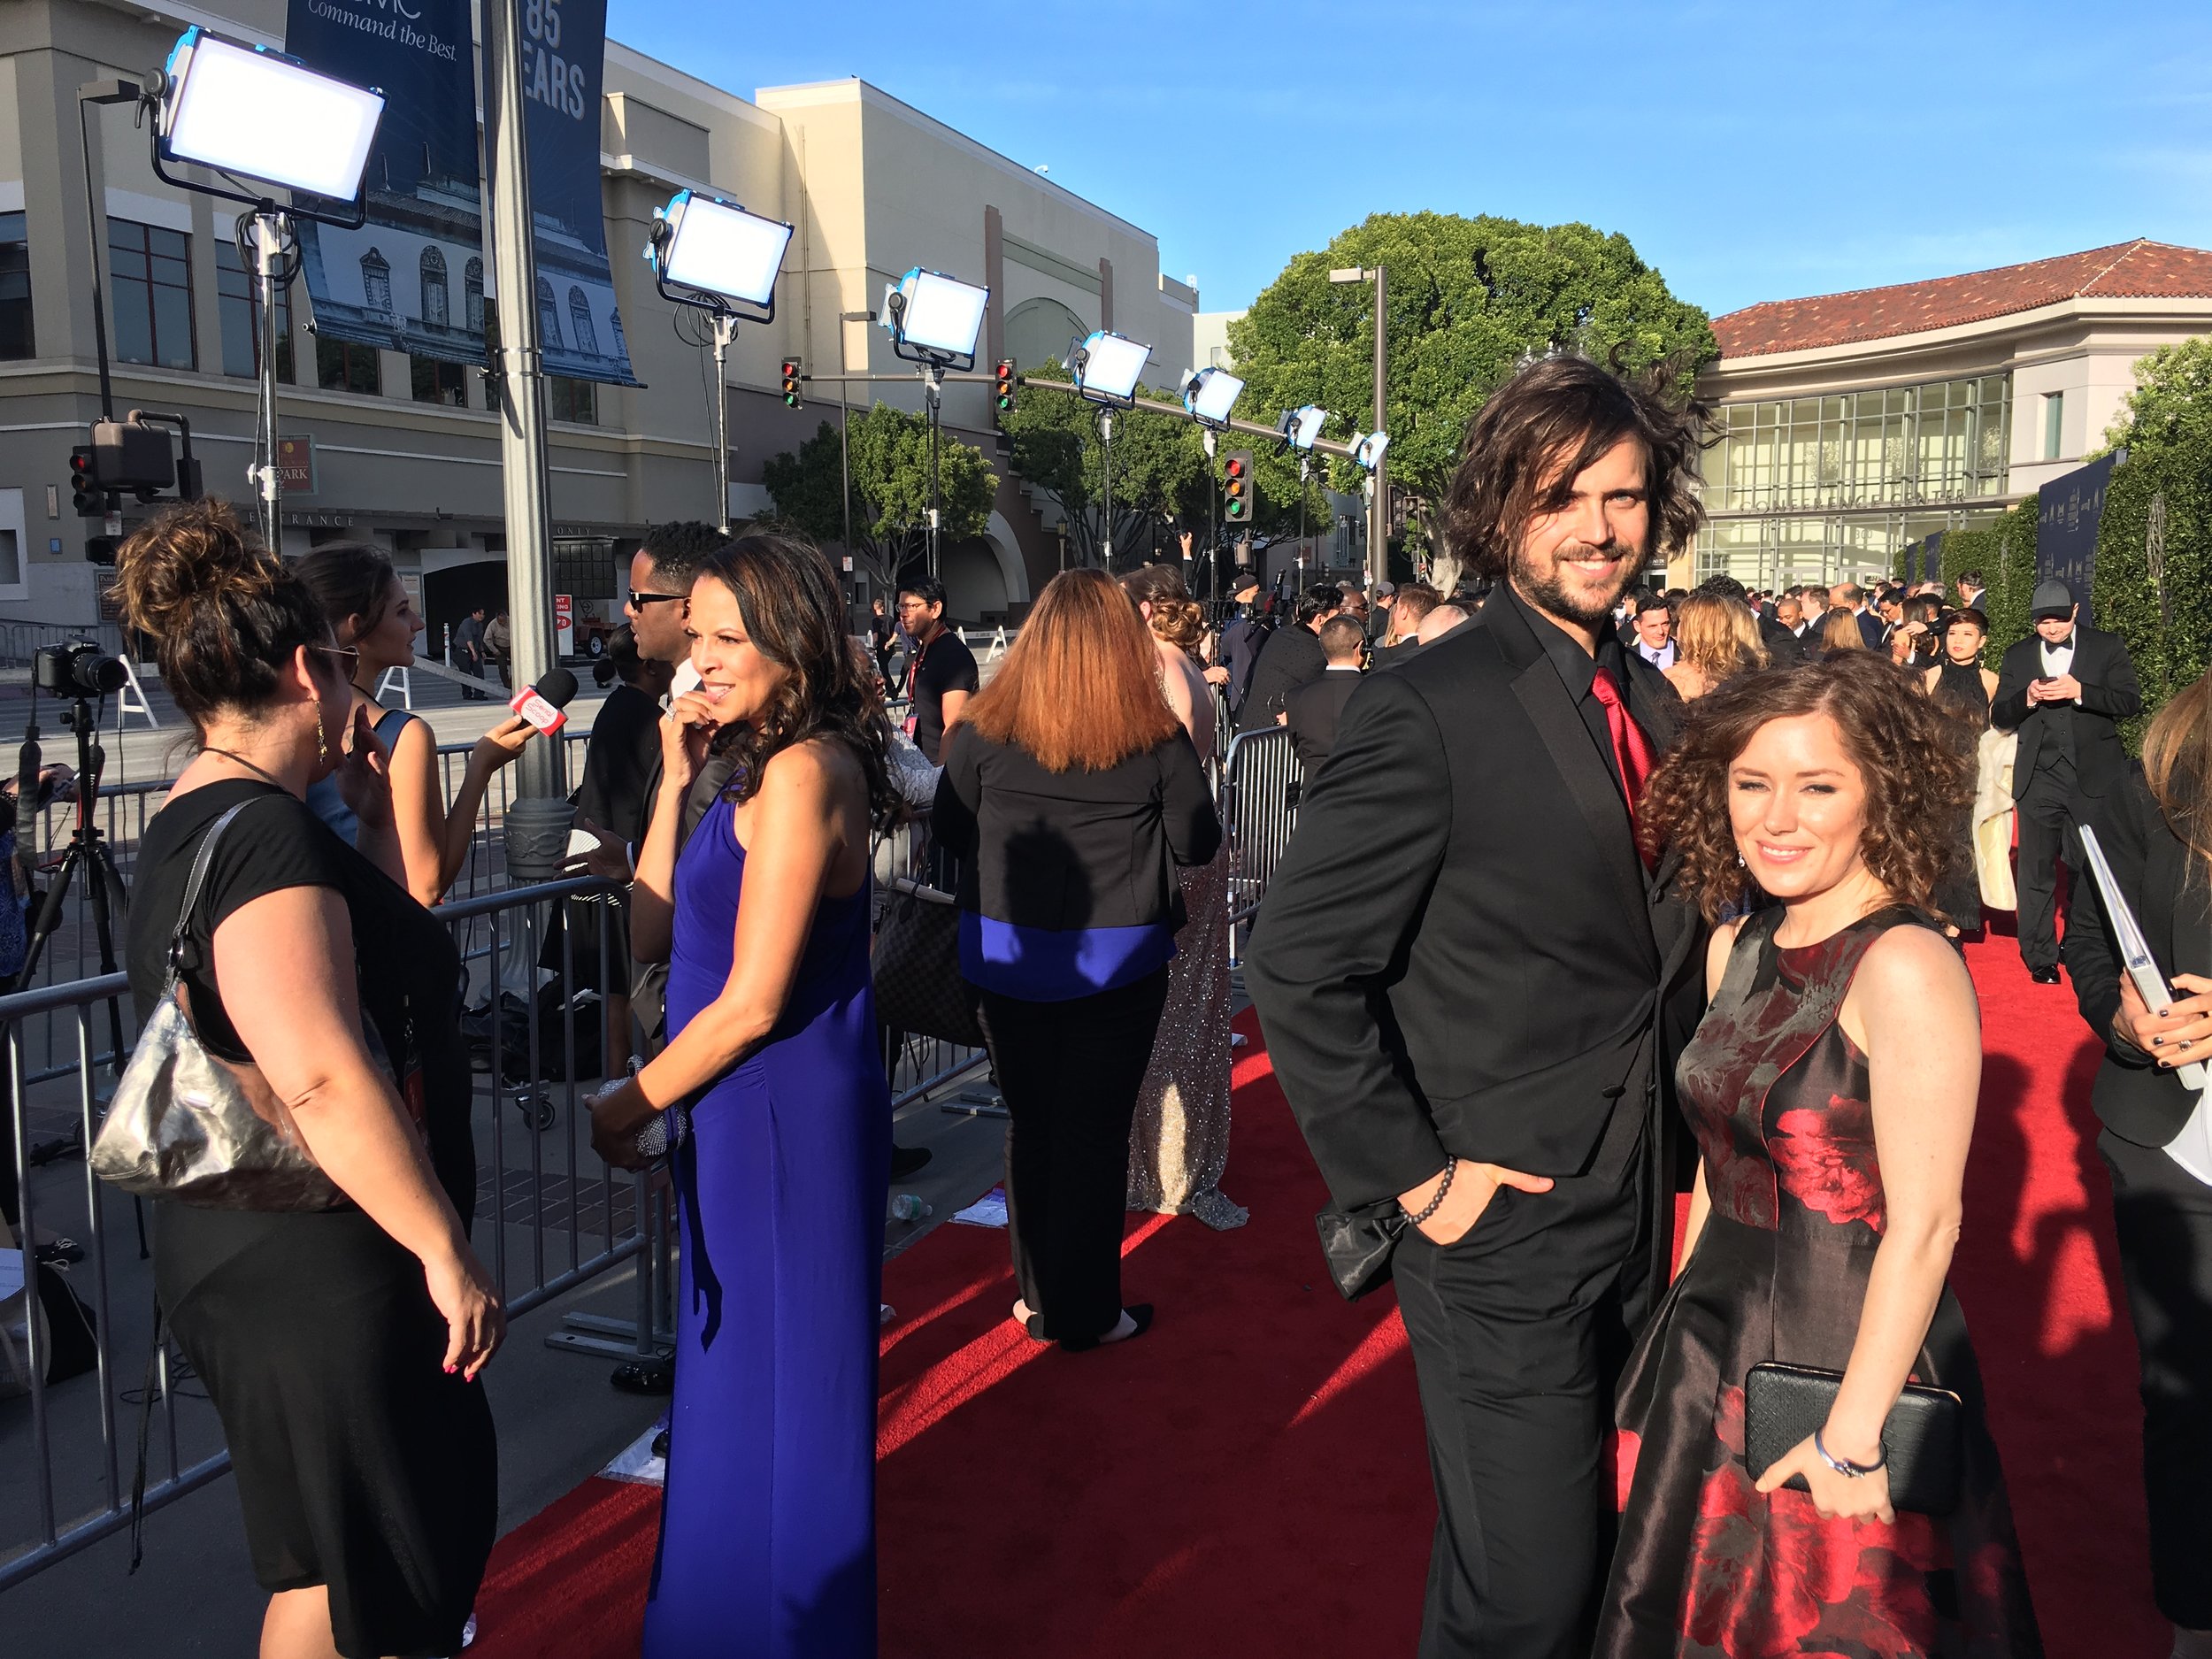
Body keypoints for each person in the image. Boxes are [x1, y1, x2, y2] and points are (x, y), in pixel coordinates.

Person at [1247, 355, 1709, 1658]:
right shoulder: (1427, 704)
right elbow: (1295, 960)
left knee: (1551, 1565)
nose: (1602, 527)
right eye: (1565, 495)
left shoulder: (1650, 697)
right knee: (1532, 1595)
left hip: (1637, 1199)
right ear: (1501, 508)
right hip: (1493, 1218)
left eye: (1625, 496)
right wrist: (1416, 1179)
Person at [113, 500, 501, 1659]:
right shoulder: (265, 833)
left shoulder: (204, 811)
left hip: (260, 1239)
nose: (357, 696)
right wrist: (442, 1242)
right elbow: (323, 1071)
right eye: (345, 667)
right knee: (375, 1558)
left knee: (330, 1560)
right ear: (303, 668)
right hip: (321, 1245)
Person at [1598, 652, 2039, 1656]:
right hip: (1712, 1347)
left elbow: (1927, 1224)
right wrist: (1676, 1332)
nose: (1776, 818)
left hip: (1846, 1356)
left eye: (1817, 785)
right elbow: (1715, 1165)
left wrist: (1854, 1434)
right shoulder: (1735, 945)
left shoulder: (1907, 965)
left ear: (1880, 792)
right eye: (1752, 784)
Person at [588, 531, 896, 1658]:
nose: (702, 659)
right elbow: (652, 930)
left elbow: (755, 999)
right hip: (725, 1108)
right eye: (698, 635)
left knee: (790, 1399)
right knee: (725, 1387)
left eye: (732, 637)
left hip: (783, 1112)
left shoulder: (812, 769)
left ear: (795, 650)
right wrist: (672, 779)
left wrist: (628, 1102)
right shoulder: (741, 762)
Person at [931, 570, 1222, 1348]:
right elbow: (1199, 839)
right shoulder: (1152, 738)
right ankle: (1089, 1308)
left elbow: (947, 831)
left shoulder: (988, 731)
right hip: (1117, 961)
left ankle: (1037, 1296)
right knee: (1093, 1131)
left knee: (1032, 1123)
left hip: (1006, 954)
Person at [2062, 672, 2212, 1659]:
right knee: (2190, 1398)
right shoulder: (2158, 772)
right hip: (2171, 1142)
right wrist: (2121, 1015)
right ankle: (2194, 1620)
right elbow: (2086, 943)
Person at [296, 543, 536, 905]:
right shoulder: (401, 734)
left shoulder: (285, 719)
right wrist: (481, 764)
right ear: (357, 628)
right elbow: (425, 884)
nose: (418, 624)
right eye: (403, 611)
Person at [1120, 565, 1244, 1232]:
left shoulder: (1162, 672)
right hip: (1194, 845)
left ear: (1143, 611)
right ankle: (1174, 1160)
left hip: (1172, 853)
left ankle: (1164, 1167)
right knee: (1189, 1005)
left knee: (1166, 1008)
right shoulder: (1189, 667)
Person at [1991, 578, 2143, 984]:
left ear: (2075, 613)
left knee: (2090, 866)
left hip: (2094, 776)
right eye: (2043, 622)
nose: (2052, 629)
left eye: (2059, 620)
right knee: (2036, 871)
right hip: (2039, 777)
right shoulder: (2019, 655)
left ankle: (2079, 942)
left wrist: (2082, 691)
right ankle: (2039, 955)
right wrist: (2026, 698)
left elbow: (2130, 701)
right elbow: (1999, 716)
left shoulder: (2106, 646)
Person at [570, 625, 675, 1071]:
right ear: (651, 665)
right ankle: (654, 1100)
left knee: (617, 991)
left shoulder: (618, 704)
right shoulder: (649, 717)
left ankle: (615, 1088)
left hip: (599, 855)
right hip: (621, 862)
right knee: (647, 990)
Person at [1236, 582, 1343, 733]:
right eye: (1338, 617)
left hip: (1249, 734)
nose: (1342, 623)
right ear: (1320, 619)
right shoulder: (1317, 654)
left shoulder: (1280, 635)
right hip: (1273, 740)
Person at [895, 574, 977, 765]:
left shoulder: (954, 655)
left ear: (935, 609)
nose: (904, 614)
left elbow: (954, 726)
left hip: (939, 771)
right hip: (921, 764)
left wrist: (940, 781)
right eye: (901, 606)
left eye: (912, 606)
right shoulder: (924, 648)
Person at [1283, 613, 1366, 772]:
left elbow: (1298, 747)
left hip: (1314, 787)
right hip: (1360, 786)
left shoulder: (1296, 696)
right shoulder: (1378, 691)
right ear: (1361, 648)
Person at [1664, 590, 1768, 702]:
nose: (1677, 627)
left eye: (1681, 621)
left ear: (1692, 629)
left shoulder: (1675, 679)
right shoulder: (1743, 673)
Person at [1628, 594, 1676, 670]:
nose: (1661, 632)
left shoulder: (1687, 654)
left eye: (1665, 624)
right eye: (1653, 626)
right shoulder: (1626, 659)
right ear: (1637, 626)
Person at [453, 603, 489, 698]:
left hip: (474, 650)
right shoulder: (467, 623)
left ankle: (479, 694)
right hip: (462, 651)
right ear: (474, 614)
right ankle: (467, 694)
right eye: (480, 613)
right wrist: (473, 652)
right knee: (465, 673)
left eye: (483, 614)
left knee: (479, 672)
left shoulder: (480, 625)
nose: (482, 616)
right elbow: (469, 639)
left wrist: (482, 651)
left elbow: (479, 639)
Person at [484, 609, 513, 688]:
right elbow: (486, 639)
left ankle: (512, 681)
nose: (502, 623)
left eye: (504, 621)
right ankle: (507, 685)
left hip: (511, 646)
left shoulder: (512, 621)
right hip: (499, 648)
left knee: (516, 665)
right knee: (502, 667)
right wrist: (494, 650)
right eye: (500, 621)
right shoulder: (492, 624)